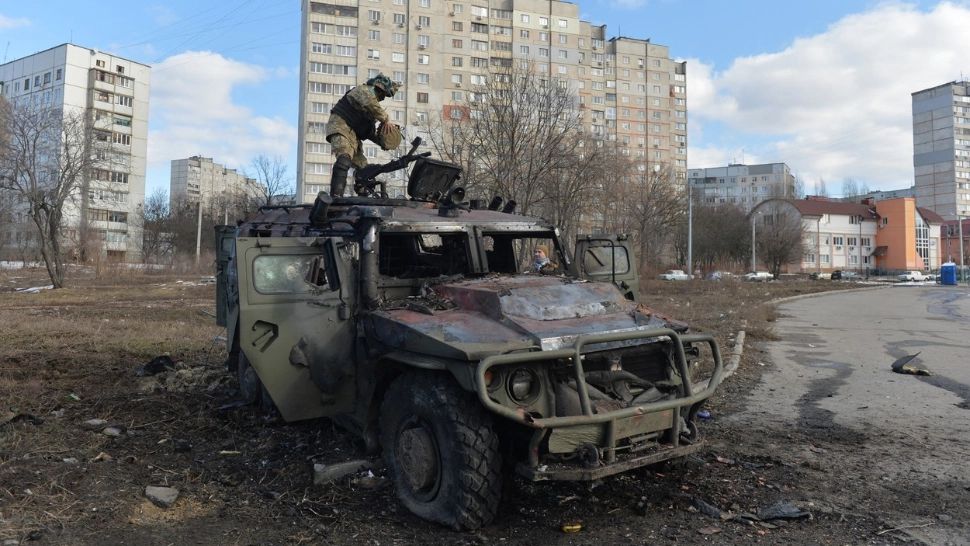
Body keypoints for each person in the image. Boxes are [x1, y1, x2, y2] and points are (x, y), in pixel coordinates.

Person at [326, 74, 403, 196]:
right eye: (383, 94)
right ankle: (336, 195)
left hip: (353, 136)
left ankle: (363, 193)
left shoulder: (369, 111)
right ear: (379, 88)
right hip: (340, 125)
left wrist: (384, 141)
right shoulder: (363, 90)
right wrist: (386, 119)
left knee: (364, 169)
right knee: (344, 158)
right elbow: (371, 103)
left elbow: (369, 132)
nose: (382, 98)